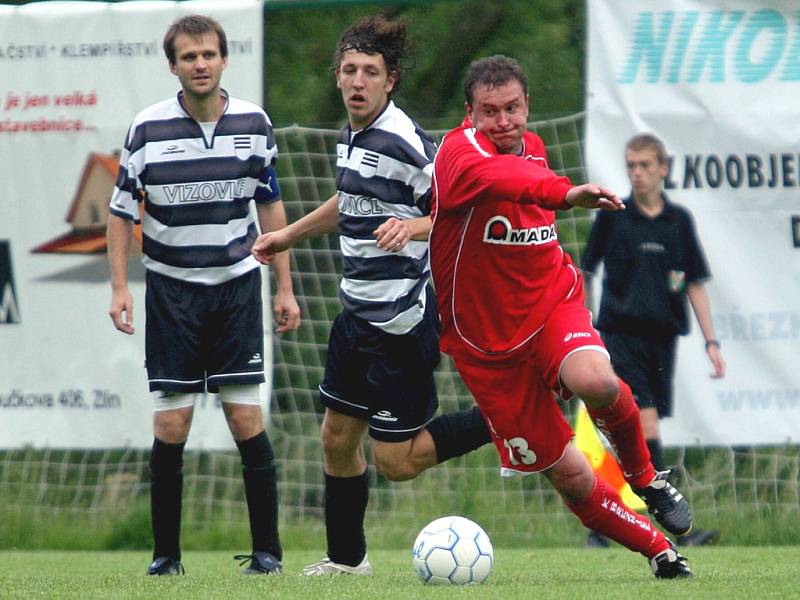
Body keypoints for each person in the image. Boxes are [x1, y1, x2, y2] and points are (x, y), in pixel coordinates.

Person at [428, 54, 693, 578]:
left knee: (597, 379)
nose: (503, 122)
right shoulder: (459, 155)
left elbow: (528, 183)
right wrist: (567, 192)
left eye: (513, 108)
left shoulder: (533, 146)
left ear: (527, 105)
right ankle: (660, 551)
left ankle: (647, 480)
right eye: (490, 112)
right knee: (569, 475)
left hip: (551, 304)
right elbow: (513, 181)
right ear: (469, 113)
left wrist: (559, 191)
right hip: (486, 350)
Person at [251, 16, 491, 576]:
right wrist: (288, 233)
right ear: (338, 77)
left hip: (401, 323)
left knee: (397, 462)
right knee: (335, 437)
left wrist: (411, 228)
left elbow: (458, 213)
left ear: (391, 81)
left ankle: (500, 420)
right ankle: (346, 560)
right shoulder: (351, 135)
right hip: (357, 312)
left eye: (370, 72)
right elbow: (348, 202)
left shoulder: (408, 143)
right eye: (350, 70)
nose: (358, 81)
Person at [106, 14, 301, 576]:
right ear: (173, 66)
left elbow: (271, 209)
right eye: (188, 57)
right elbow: (121, 215)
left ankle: (268, 554)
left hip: (238, 289)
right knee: (172, 426)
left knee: (247, 422)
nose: (199, 64)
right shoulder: (147, 129)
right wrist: (120, 287)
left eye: (208, 55)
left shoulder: (255, 123)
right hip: (172, 294)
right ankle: (165, 558)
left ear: (224, 60)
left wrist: (284, 288)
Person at [582, 132, 725, 548]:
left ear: (663, 168)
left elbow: (694, 282)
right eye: (631, 166)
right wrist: (587, 327)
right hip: (619, 335)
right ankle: (671, 523)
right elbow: (587, 270)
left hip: (662, 338)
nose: (637, 173)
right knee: (642, 422)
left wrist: (712, 343)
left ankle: (603, 523)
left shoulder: (678, 221)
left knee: (634, 433)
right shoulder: (613, 216)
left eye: (645, 165)